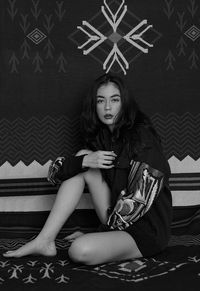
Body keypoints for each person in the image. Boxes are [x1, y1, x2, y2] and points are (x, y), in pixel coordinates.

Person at [3, 73, 172, 265]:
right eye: (101, 101)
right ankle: (45, 240)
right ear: (94, 105)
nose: (107, 107)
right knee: (83, 159)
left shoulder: (142, 138)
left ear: (124, 103)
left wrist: (99, 234)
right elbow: (54, 175)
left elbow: (138, 203)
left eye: (114, 100)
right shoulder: (100, 137)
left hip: (145, 231)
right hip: (113, 219)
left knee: (79, 249)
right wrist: (84, 161)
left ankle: (99, 240)